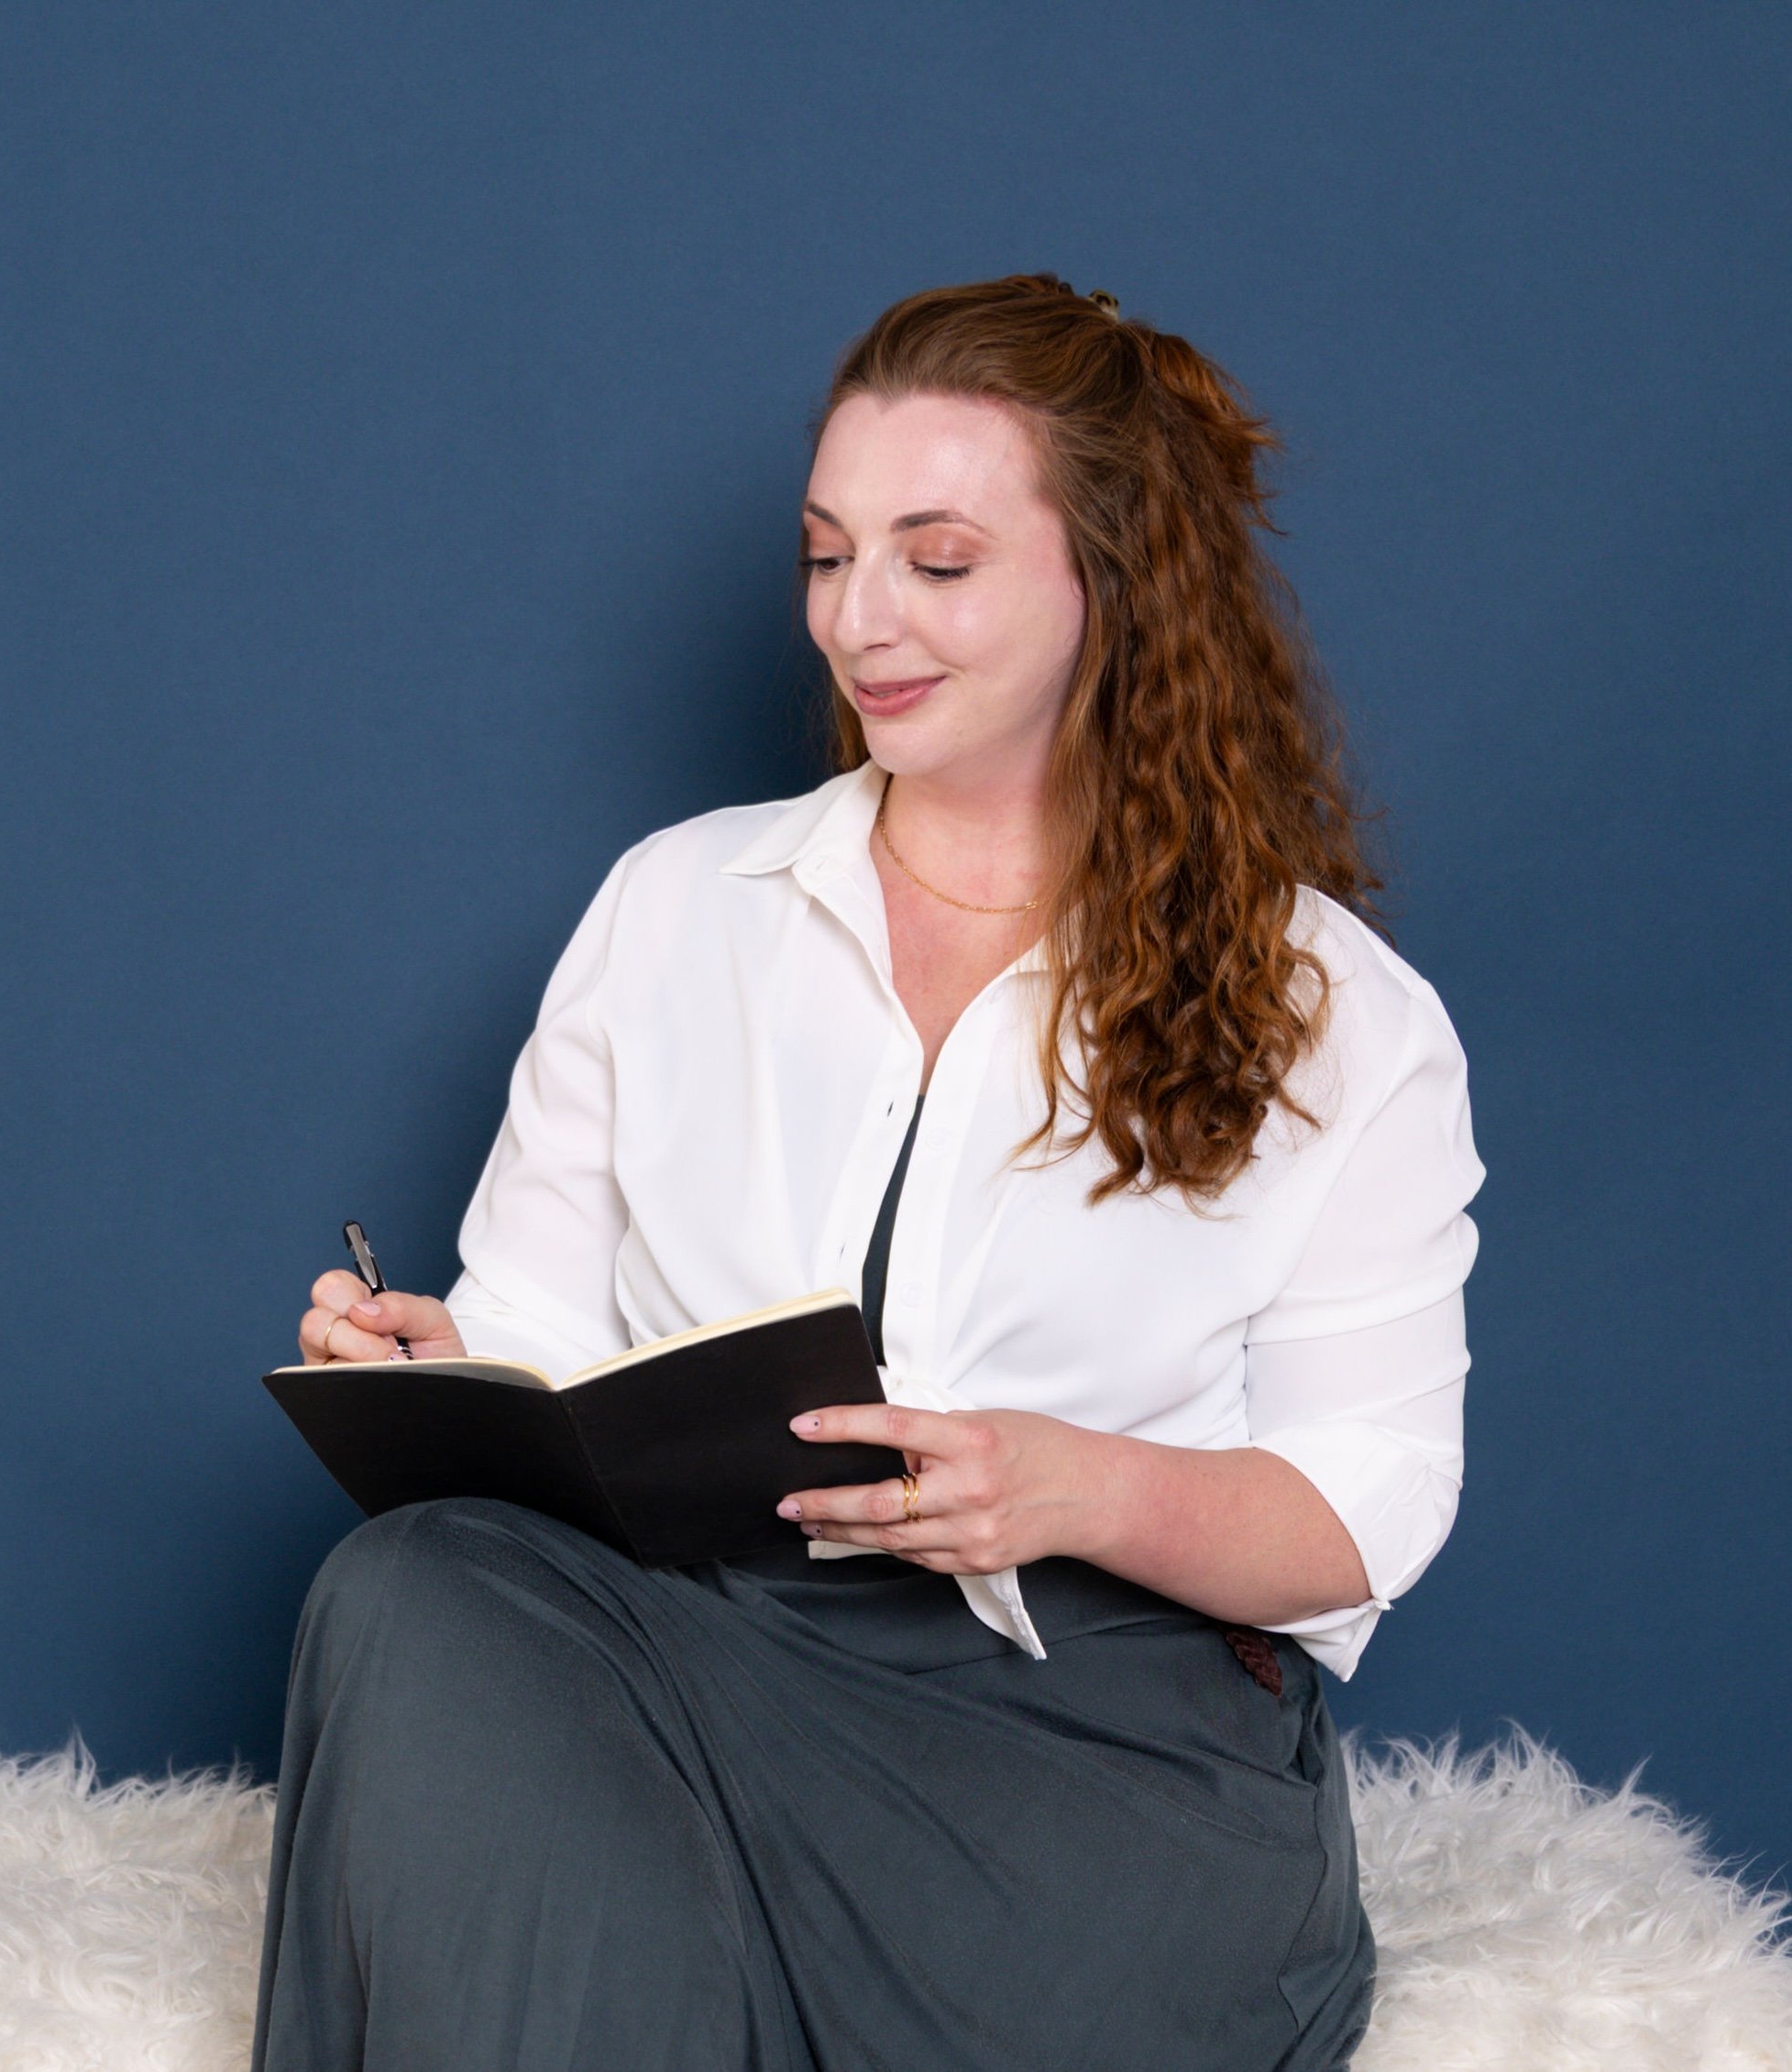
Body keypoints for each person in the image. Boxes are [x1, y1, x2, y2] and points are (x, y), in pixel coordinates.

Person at [251, 274, 1481, 2072]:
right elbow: (545, 1338)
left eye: (938, 559)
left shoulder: (1335, 1013)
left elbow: (1375, 1499)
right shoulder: (675, 907)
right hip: (695, 1657)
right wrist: (443, 1377)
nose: (861, 619)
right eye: (830, 557)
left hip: (1090, 1757)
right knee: (414, 1584)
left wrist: (1070, 1489)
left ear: (1108, 585)